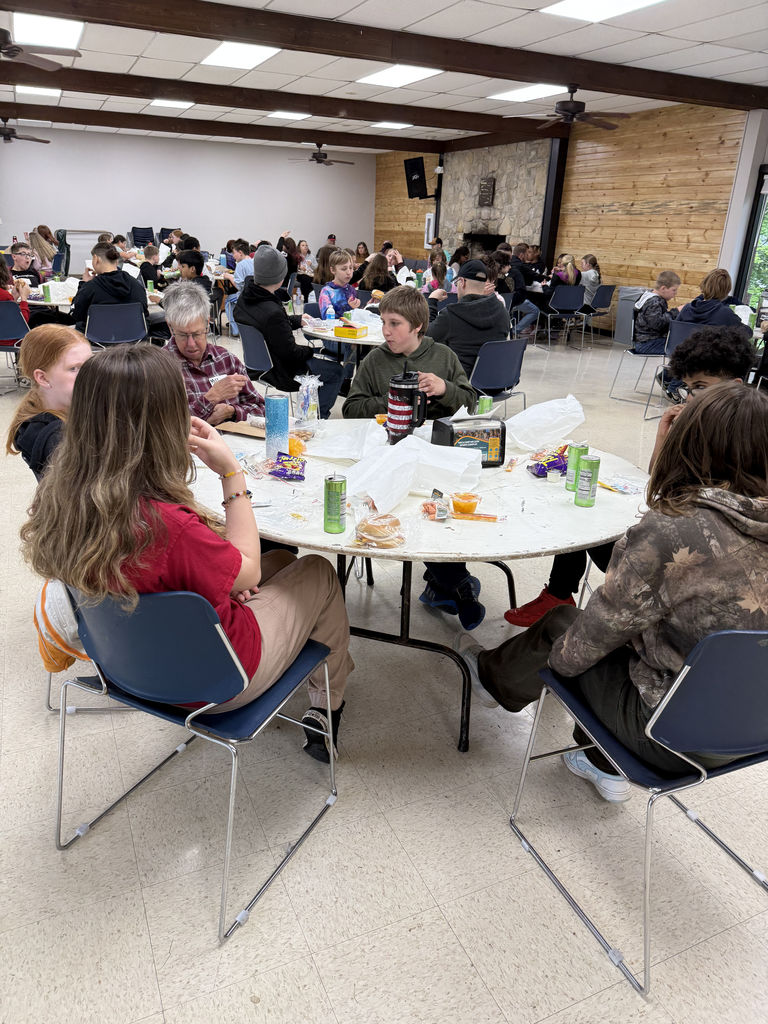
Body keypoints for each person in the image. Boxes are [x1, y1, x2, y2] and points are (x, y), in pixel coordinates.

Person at [21, 344, 353, 762]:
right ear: (163, 422)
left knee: (284, 563)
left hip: (124, 665)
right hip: (216, 683)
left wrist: (230, 582)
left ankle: (315, 681)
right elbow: (248, 572)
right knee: (318, 570)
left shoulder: (61, 496)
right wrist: (231, 473)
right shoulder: (168, 525)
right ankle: (327, 707)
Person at [460, 382, 768, 802]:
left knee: (565, 626)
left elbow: (587, 643)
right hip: (754, 730)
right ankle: (599, 761)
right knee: (655, 637)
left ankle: (491, 679)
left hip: (668, 738)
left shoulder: (675, 532)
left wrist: (553, 667)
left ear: (691, 442)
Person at [505, 325, 758, 628]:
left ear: (734, 385)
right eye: (689, 388)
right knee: (587, 506)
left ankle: (560, 595)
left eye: (700, 387)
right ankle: (558, 593)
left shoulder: (738, 442)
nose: (690, 398)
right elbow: (660, 482)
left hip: (689, 571)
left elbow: (663, 494)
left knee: (586, 520)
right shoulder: (706, 425)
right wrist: (664, 437)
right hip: (696, 553)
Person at [342, 286, 484, 629]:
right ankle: (458, 587)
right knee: (400, 506)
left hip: (435, 455)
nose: (386, 331)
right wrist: (393, 399)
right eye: (383, 322)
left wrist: (444, 389)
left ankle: (446, 583)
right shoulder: (375, 361)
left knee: (436, 507)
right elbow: (350, 408)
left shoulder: (443, 357)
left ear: (418, 325)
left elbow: (471, 402)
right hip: (388, 455)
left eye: (395, 323)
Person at [233, 246, 344, 418]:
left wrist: (297, 320)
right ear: (279, 277)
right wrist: (312, 351)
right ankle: (316, 419)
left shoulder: (246, 299)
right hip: (281, 372)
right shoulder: (272, 311)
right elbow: (291, 353)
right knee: (336, 371)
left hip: (256, 366)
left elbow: (269, 326)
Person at [162, 280, 263, 425]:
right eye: (183, 335)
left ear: (207, 324)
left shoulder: (225, 359)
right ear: (170, 327)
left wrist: (232, 412)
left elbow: (261, 409)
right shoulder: (160, 368)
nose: (191, 344)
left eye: (197, 334)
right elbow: (165, 425)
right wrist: (212, 397)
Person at [5, 324, 92, 480]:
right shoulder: (54, 438)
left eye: (90, 365)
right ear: (43, 378)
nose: (89, 374)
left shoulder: (66, 408)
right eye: (74, 368)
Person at [426, 259, 510, 377]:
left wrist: (432, 301)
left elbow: (426, 337)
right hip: (496, 379)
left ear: (462, 282)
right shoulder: (502, 311)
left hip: (460, 382)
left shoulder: (452, 315)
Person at [71, 242, 149, 334]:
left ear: (96, 259)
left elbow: (76, 314)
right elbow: (144, 313)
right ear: (116, 261)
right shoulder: (136, 284)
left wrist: (83, 284)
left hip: (98, 337)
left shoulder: (90, 287)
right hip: (132, 336)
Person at [677, 268, 749, 331]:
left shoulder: (686, 309)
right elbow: (747, 332)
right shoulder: (725, 314)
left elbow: (674, 332)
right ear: (727, 291)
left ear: (703, 285)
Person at [219, 239, 253, 337]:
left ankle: (235, 330)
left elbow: (238, 285)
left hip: (244, 296)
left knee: (228, 301)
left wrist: (229, 277)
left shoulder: (240, 265)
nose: (233, 256)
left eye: (234, 253)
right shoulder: (254, 261)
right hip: (254, 295)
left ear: (240, 253)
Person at [319, 250, 361, 319]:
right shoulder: (326, 291)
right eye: (344, 269)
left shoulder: (351, 289)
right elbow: (327, 318)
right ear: (333, 270)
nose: (349, 272)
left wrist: (368, 305)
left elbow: (356, 317)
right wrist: (349, 307)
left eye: (351, 268)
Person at [0, 257, 30, 339]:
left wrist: (13, 299)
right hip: (9, 340)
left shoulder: (5, 295)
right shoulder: (4, 295)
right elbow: (22, 323)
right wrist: (24, 298)